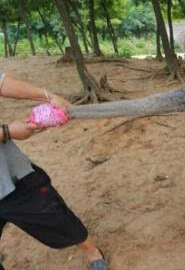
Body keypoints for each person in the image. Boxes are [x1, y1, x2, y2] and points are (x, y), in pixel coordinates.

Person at [0, 73, 108, 269]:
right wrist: (5, 132)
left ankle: (91, 250)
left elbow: (1, 83)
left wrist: (48, 96)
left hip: (11, 175)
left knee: (54, 215)